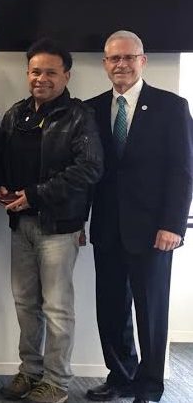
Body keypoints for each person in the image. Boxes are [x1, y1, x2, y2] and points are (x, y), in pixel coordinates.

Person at [85, 30, 193, 403]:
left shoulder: (171, 106)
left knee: (151, 311)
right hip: (106, 227)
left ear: (142, 61)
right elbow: (87, 171)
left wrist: (173, 225)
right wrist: (78, 221)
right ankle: (120, 376)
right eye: (114, 58)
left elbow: (183, 170)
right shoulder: (92, 108)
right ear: (105, 64)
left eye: (128, 57)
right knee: (111, 308)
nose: (121, 64)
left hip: (153, 230)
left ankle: (149, 386)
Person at [0, 38, 103, 403]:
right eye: (35, 71)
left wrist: (36, 194)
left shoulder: (79, 116)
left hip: (59, 227)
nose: (41, 78)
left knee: (56, 307)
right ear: (27, 73)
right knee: (25, 304)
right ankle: (30, 371)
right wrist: (0, 186)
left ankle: (57, 381)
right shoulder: (16, 114)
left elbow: (90, 168)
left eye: (50, 73)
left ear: (66, 76)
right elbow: (1, 161)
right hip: (21, 224)